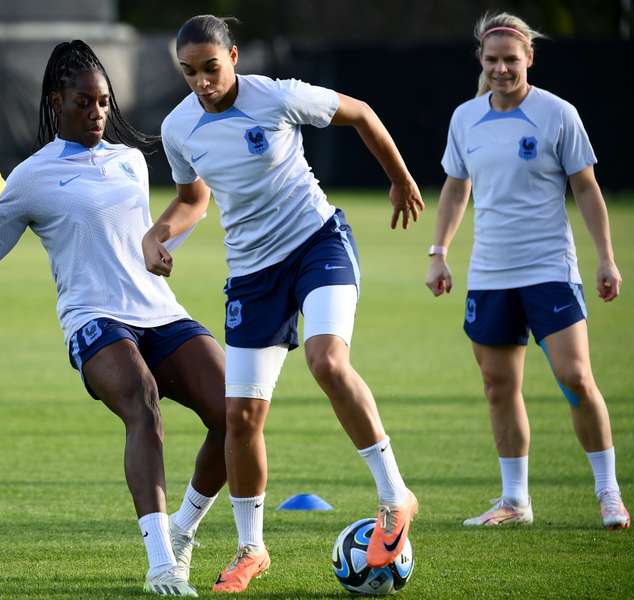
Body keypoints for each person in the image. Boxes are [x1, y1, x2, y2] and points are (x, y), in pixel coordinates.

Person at [143, 15, 425, 593]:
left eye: (211, 68)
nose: (201, 81)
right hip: (251, 275)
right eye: (189, 72)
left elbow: (363, 114)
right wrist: (157, 234)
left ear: (234, 57)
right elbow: (192, 198)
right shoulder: (179, 127)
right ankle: (251, 549)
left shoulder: (277, 96)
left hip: (318, 244)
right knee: (242, 417)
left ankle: (396, 497)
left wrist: (398, 178)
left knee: (326, 360)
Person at [0, 40, 228, 597]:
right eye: (85, 101)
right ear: (57, 102)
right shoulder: (31, 175)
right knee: (143, 404)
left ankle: (183, 529)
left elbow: (145, 228)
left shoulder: (128, 160)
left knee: (237, 412)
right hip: (94, 321)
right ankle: (160, 565)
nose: (98, 112)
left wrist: (161, 243)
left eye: (104, 101)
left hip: (159, 312)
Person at [426, 12, 630, 530]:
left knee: (576, 378)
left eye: (510, 60)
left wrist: (605, 257)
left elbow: (586, 187)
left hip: (549, 269)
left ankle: (608, 492)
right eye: (492, 60)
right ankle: (515, 501)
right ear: (481, 60)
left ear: (529, 59)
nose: (500, 69)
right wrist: (439, 252)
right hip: (490, 273)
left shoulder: (558, 114)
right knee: (498, 387)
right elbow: (455, 188)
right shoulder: (465, 118)